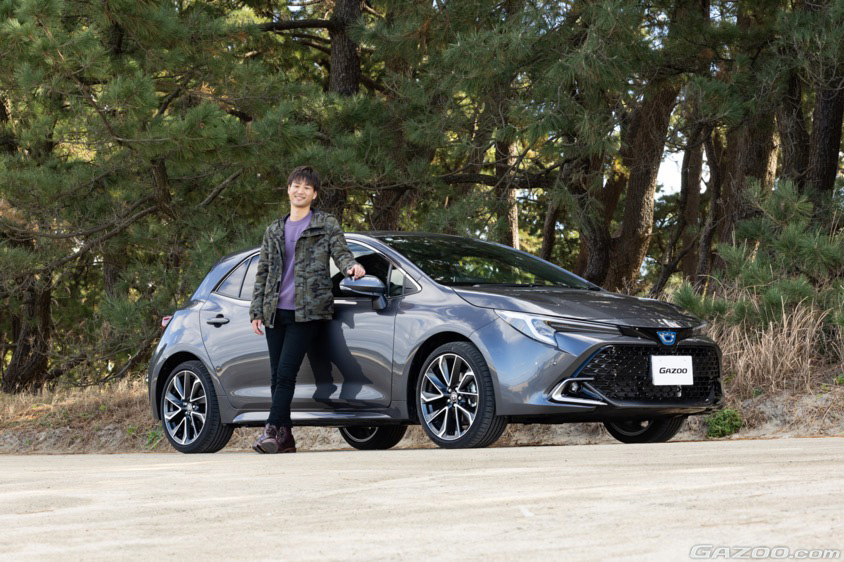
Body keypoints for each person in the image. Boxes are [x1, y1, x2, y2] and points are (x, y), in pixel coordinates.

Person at [248, 165, 365, 454]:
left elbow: (341, 252)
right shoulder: (274, 229)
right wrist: (256, 310)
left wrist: (351, 266)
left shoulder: (325, 223)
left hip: (308, 311)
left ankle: (270, 430)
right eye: (296, 186)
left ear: (314, 194)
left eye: (306, 187)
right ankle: (284, 437)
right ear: (288, 189)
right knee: (276, 375)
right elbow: (263, 272)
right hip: (275, 311)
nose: (300, 191)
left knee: (286, 373)